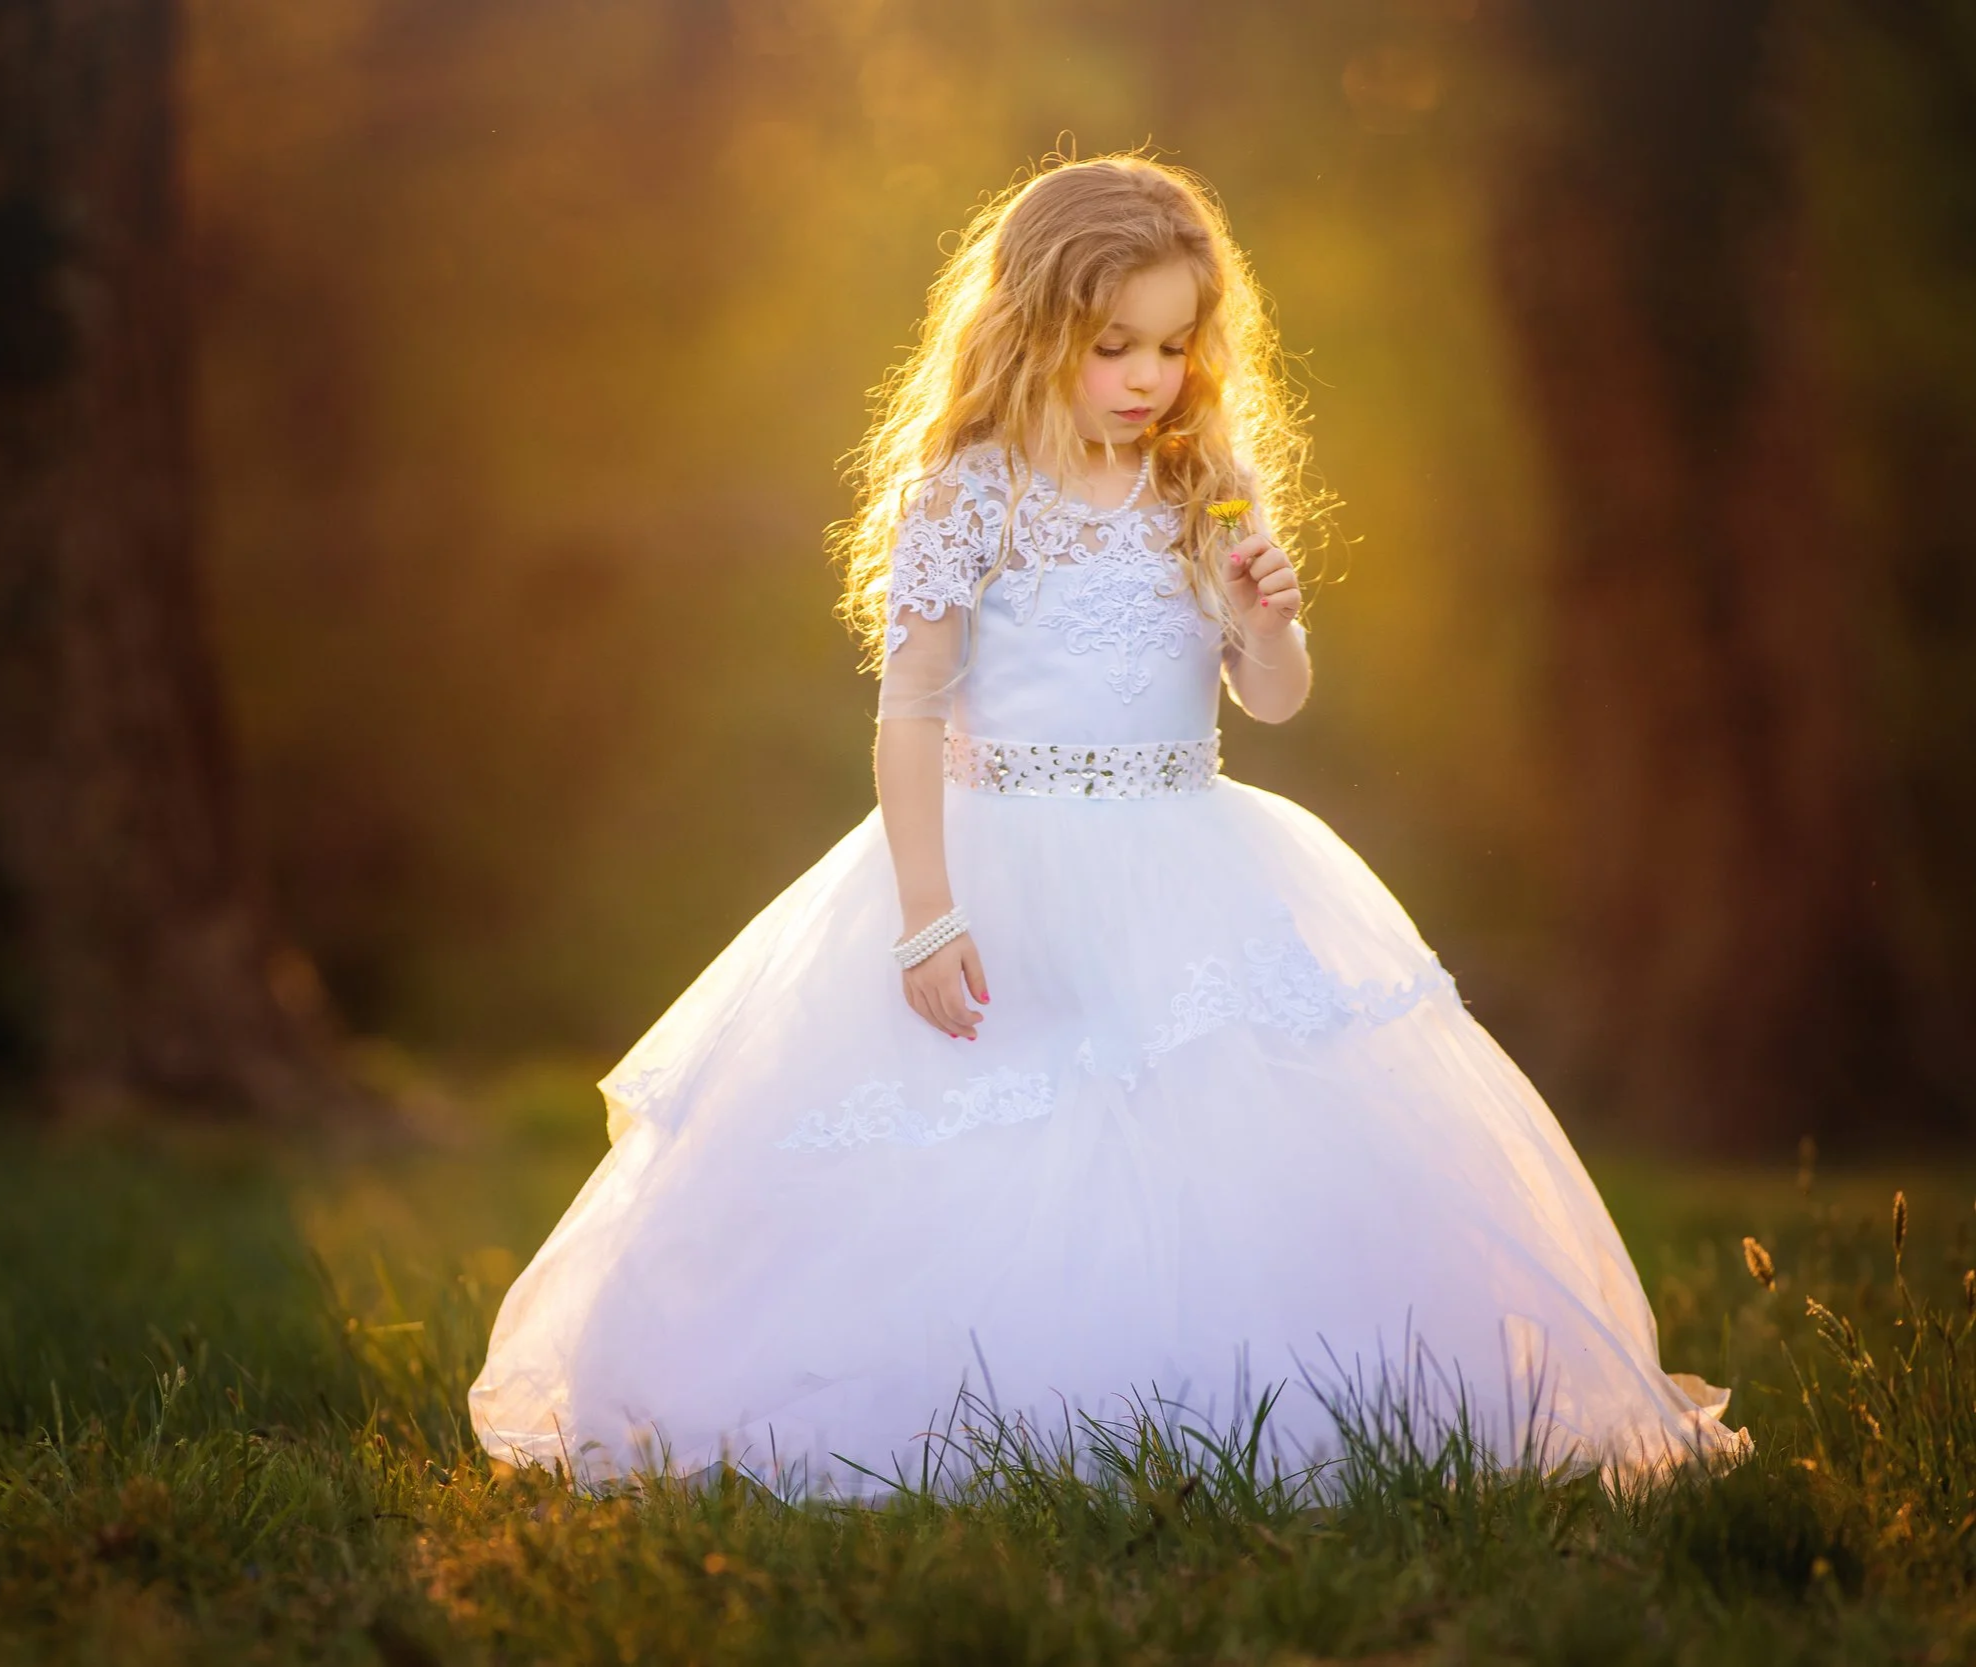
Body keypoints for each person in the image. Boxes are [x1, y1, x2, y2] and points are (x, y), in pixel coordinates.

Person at [467, 153, 1750, 1497]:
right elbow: (908, 712)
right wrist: (927, 912)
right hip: (1001, 859)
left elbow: (1272, 698)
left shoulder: (1206, 485)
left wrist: (1269, 617)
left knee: (1216, 1136)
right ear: (1032, 330)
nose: (1149, 376)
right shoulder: (970, 492)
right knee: (1004, 1131)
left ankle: (1229, 1404)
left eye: (1176, 346)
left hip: (1186, 854)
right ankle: (982, 1406)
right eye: (1114, 345)